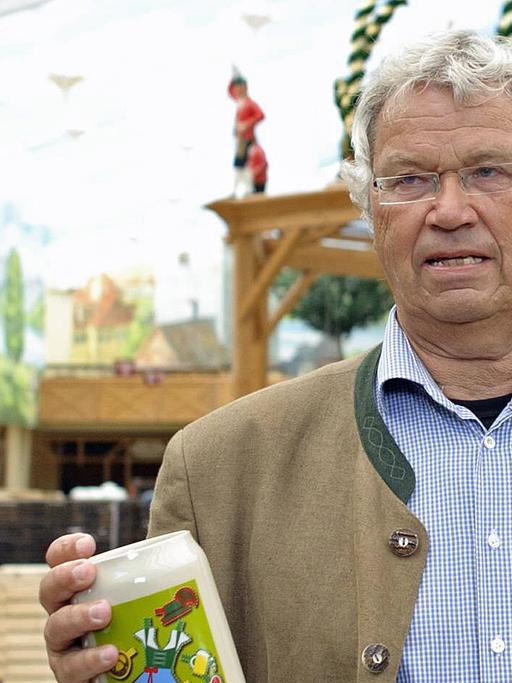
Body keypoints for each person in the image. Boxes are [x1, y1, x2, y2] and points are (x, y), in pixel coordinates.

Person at [40, 29, 512, 681]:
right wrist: (115, 664)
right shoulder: (219, 472)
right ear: (369, 205)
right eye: (410, 178)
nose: (450, 209)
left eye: (489, 170)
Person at [227, 73, 266, 196]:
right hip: (240, 140)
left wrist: (246, 124)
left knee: (248, 166)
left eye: (240, 86)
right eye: (236, 87)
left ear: (245, 87)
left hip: (248, 139)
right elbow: (230, 91)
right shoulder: (239, 102)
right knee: (238, 166)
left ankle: (249, 190)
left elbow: (260, 115)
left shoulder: (250, 103)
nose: (237, 89)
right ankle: (236, 190)